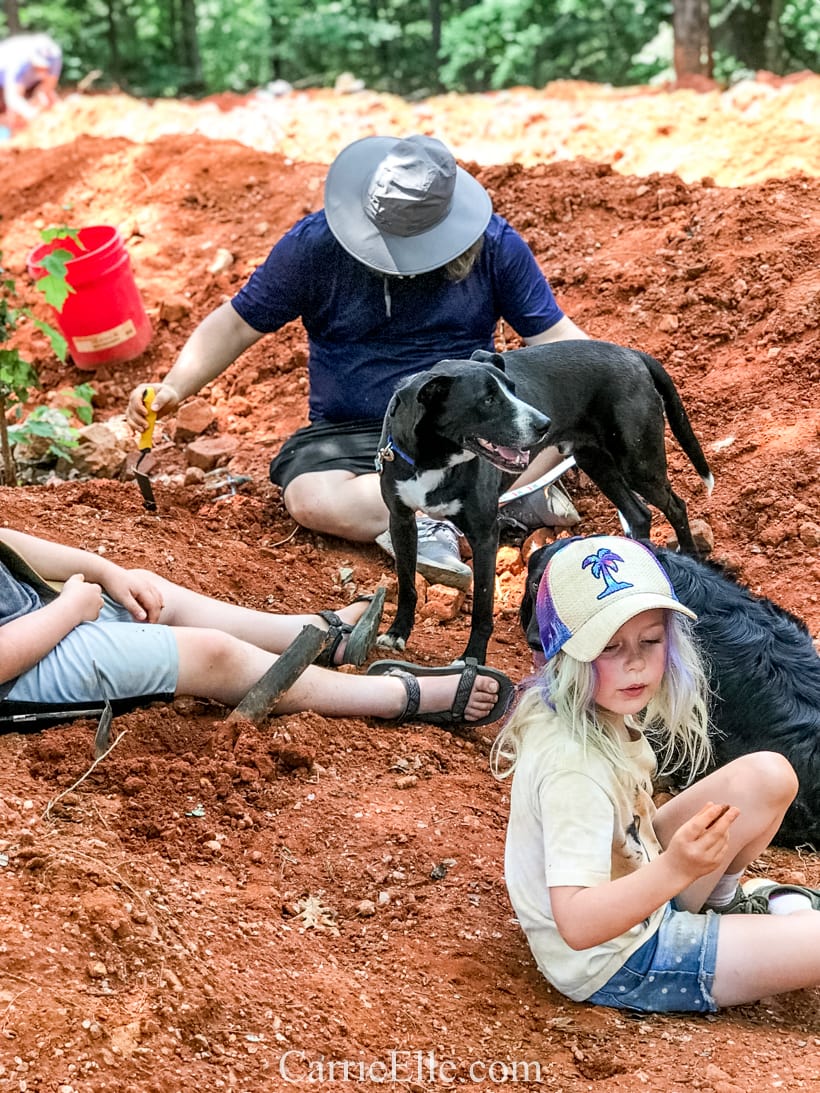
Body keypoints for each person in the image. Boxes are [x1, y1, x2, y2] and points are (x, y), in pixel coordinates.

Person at [126, 134, 585, 592]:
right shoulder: (313, 247)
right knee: (310, 498)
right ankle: (486, 508)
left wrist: (611, 377)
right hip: (351, 435)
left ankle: (447, 514)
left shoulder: (495, 245)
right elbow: (236, 324)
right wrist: (174, 386)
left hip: (469, 430)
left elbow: (553, 336)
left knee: (554, 430)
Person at [491, 534, 820, 1014]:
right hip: (617, 957)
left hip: (638, 877)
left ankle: (721, 905)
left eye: (651, 640)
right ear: (564, 653)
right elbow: (577, 925)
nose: (636, 662)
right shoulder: (573, 769)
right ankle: (732, 924)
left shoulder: (598, 710)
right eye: (609, 646)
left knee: (768, 775)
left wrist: (671, 870)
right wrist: (676, 869)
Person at [0, 527, 513, 729]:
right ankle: (394, 696)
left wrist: (105, 571)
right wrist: (71, 610)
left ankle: (317, 635)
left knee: (151, 593)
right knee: (211, 655)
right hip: (18, 669)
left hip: (44, 611)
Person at [0, 33, 62, 134]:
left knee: (46, 99)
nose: (42, 69)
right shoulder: (17, 61)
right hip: (5, 72)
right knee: (13, 110)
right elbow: (12, 98)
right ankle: (12, 134)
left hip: (26, 74)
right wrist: (32, 114)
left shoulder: (54, 56)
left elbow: (48, 87)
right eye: (39, 66)